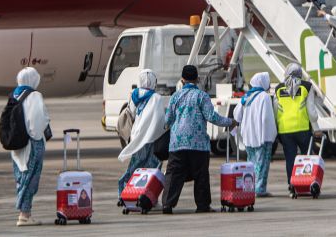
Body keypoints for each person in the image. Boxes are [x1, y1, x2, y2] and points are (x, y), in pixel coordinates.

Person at [163, 65, 235, 214]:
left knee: (173, 174)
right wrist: (230, 122)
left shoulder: (175, 97)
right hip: (198, 144)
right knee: (201, 175)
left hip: (177, 143)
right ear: (196, 79)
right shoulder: (202, 96)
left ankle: (167, 204)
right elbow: (211, 117)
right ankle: (202, 205)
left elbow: (167, 120)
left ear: (182, 80)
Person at [10, 67, 50, 226]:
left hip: (17, 144)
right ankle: (24, 214)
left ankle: (24, 213)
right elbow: (38, 121)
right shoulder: (34, 95)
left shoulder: (14, 94)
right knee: (31, 178)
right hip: (32, 143)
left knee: (21, 177)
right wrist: (38, 137)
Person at [273, 63, 321, 194]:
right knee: (308, 157)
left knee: (290, 159)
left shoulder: (278, 89)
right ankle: (309, 183)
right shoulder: (306, 86)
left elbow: (275, 111)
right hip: (302, 129)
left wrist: (276, 130)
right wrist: (316, 128)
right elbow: (311, 111)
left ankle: (292, 185)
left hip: (285, 130)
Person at [117, 69, 165, 198]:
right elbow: (160, 119)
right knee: (153, 167)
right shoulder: (157, 98)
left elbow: (131, 113)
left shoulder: (134, 95)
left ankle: (124, 190)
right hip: (151, 137)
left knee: (136, 164)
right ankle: (148, 194)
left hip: (137, 135)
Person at [233, 73, 277, 197]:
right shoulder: (264, 97)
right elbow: (266, 118)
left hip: (248, 136)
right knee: (262, 164)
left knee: (250, 163)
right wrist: (271, 135)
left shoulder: (247, 96)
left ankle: (249, 187)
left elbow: (237, 115)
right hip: (262, 136)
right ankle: (260, 189)